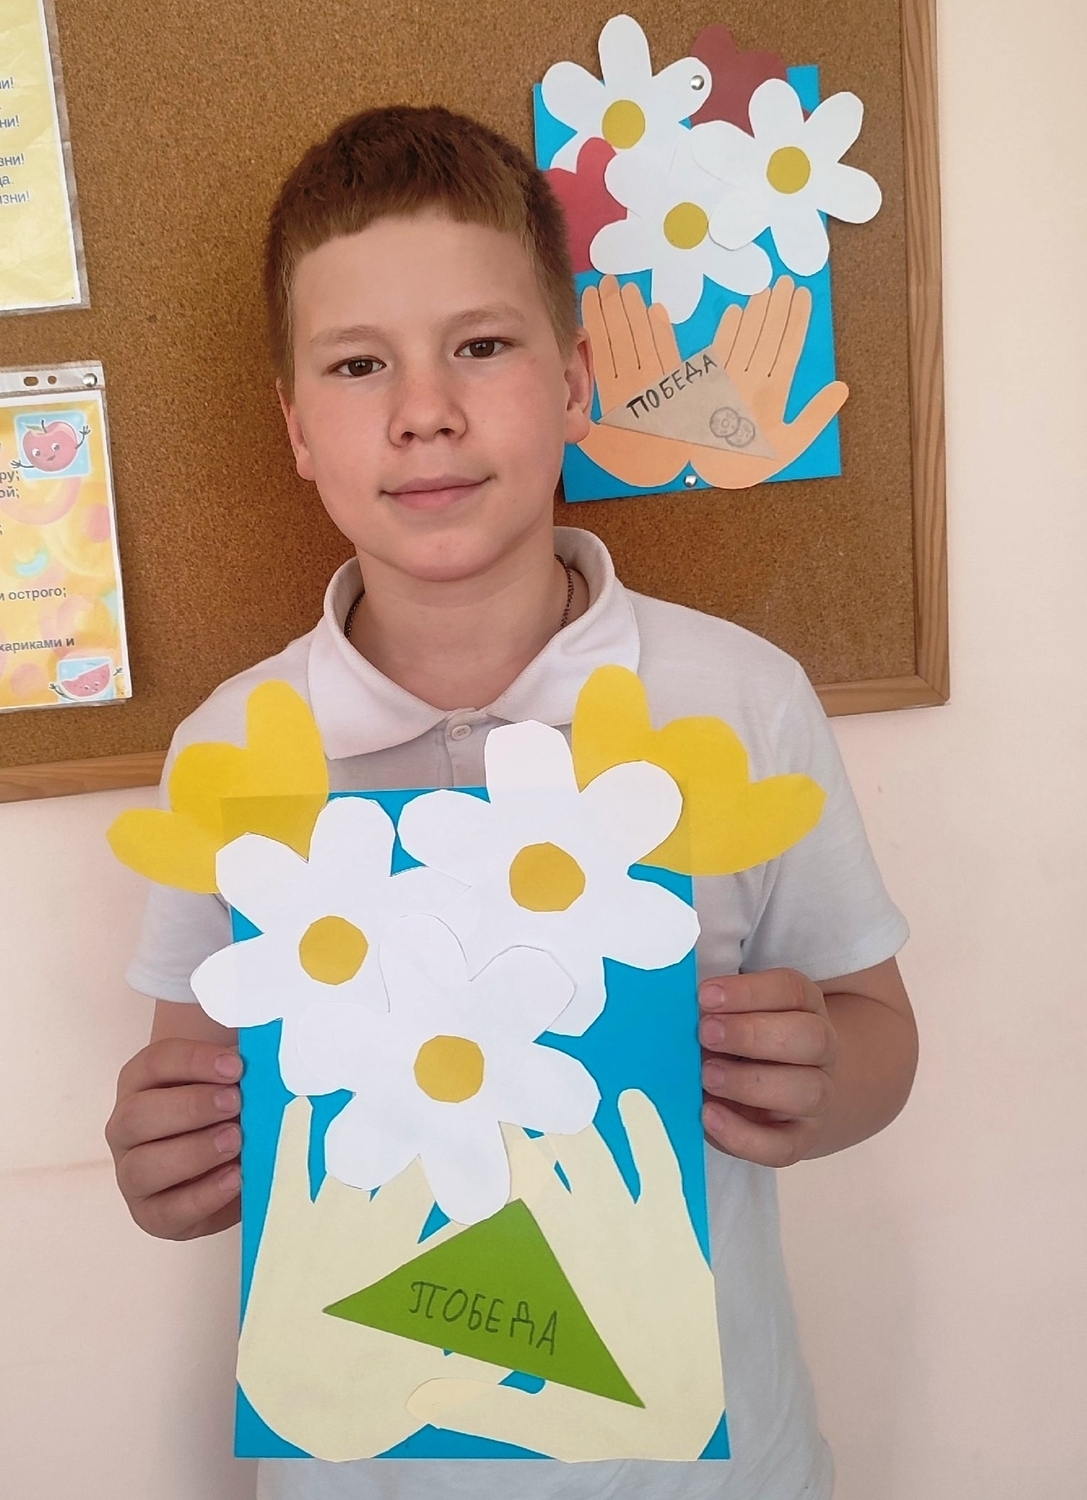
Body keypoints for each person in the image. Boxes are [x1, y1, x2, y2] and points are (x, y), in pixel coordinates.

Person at [105, 105, 917, 1499]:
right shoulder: (234, 752)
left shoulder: (736, 700)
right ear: (296, 429)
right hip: (360, 1462)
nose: (424, 408)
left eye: (481, 346)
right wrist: (169, 1159)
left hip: (701, 1466)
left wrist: (821, 1077)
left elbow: (878, 1033)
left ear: (577, 381)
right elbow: (201, 1080)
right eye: (358, 364)